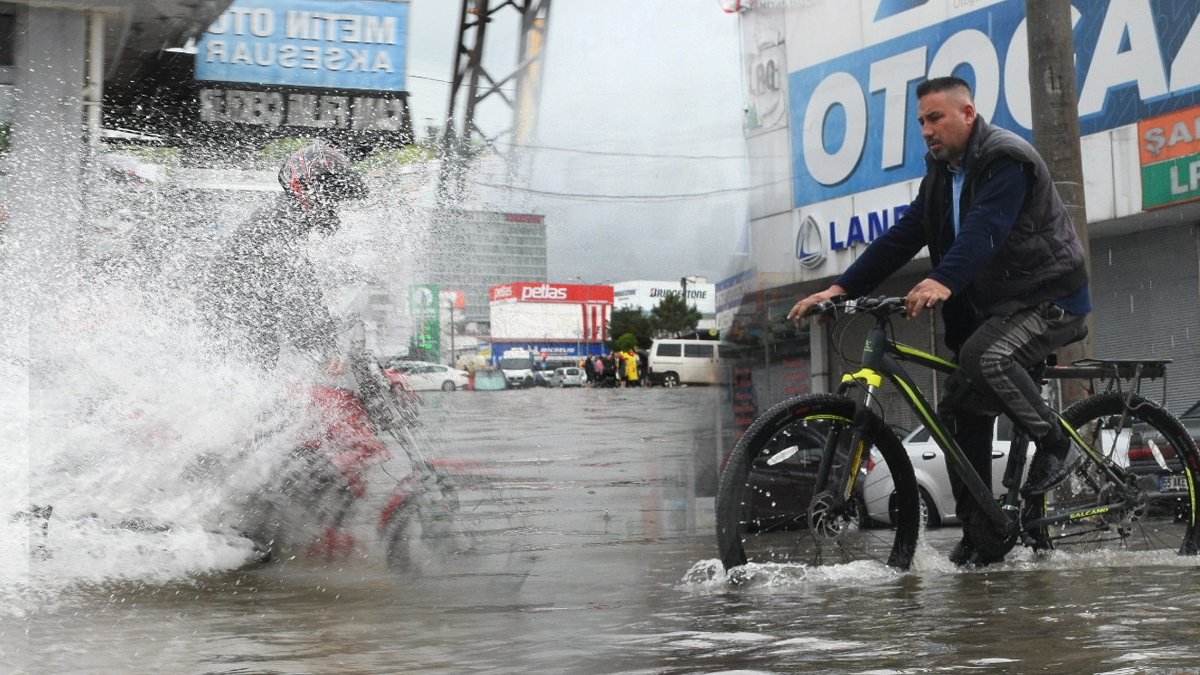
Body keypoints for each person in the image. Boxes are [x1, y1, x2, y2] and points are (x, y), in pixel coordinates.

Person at [786, 76, 1090, 567]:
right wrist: (841, 288)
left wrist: (944, 278)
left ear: (967, 113)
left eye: (936, 118)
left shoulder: (1004, 158)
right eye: (921, 121)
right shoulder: (941, 172)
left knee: (983, 356)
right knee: (958, 415)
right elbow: (905, 235)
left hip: (1050, 299)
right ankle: (981, 535)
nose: (927, 130)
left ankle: (1057, 444)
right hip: (1001, 308)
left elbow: (984, 230)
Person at [200, 141, 368, 368]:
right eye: (331, 195)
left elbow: (300, 286)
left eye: (337, 198)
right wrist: (327, 347)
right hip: (232, 327)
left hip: (240, 322)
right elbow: (301, 288)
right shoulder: (281, 220)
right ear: (305, 187)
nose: (335, 205)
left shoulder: (287, 215)